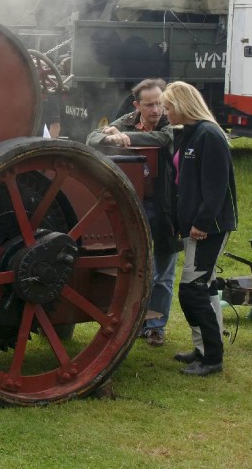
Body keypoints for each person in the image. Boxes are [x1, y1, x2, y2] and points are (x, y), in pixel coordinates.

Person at [86, 78, 178, 347]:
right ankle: (134, 321)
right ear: (137, 105)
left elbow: (164, 138)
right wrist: (110, 135)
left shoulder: (170, 122)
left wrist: (126, 138)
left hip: (165, 206)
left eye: (159, 103)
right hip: (133, 204)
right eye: (149, 105)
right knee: (135, 265)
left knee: (164, 269)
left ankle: (156, 326)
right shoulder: (126, 120)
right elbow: (92, 137)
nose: (156, 110)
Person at [161, 81, 237, 377]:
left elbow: (216, 187)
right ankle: (204, 348)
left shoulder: (210, 135)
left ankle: (211, 359)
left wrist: (201, 224)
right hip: (195, 226)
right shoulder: (190, 133)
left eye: (168, 107)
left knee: (192, 291)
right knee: (204, 289)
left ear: (182, 105)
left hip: (208, 228)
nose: (166, 113)